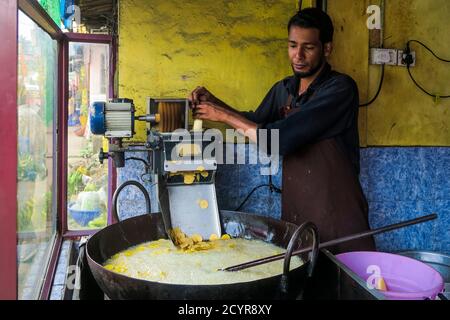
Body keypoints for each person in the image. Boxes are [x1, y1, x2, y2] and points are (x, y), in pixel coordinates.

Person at [189, 8, 375, 253]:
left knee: (347, 285)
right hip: (299, 213)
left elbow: (276, 140)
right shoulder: (284, 90)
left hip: (339, 215)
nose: (298, 55)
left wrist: (222, 115)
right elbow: (255, 122)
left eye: (308, 47)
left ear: (326, 49)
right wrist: (214, 103)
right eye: (292, 45)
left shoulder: (340, 89)